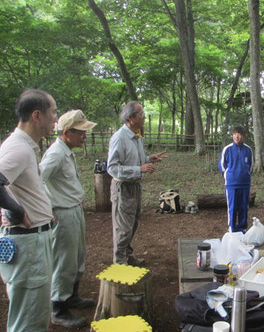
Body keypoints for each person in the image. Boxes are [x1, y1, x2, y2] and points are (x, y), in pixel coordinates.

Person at [0, 89, 57, 331]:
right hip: (28, 246)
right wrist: (14, 209)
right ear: (37, 116)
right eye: (53, 112)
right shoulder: (19, 148)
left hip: (32, 242)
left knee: (34, 314)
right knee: (29, 321)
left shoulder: (24, 146)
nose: (56, 118)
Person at [40, 110, 97, 328]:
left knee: (77, 256)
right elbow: (38, 180)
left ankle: (71, 296)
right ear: (66, 133)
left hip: (74, 209)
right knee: (64, 261)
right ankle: (58, 308)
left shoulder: (66, 151)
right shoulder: (55, 154)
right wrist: (47, 207)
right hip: (62, 213)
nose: (84, 136)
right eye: (81, 132)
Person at [107, 101, 167, 265]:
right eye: (141, 114)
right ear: (131, 117)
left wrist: (149, 159)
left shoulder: (137, 136)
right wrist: (139, 169)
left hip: (135, 186)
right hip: (123, 188)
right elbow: (112, 168)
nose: (144, 117)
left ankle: (128, 256)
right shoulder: (119, 138)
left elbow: (137, 160)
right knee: (123, 229)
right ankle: (120, 263)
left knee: (132, 225)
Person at [218, 125, 253, 232]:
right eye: (235, 134)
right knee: (232, 207)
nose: (237, 136)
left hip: (245, 183)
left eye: (240, 134)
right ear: (232, 135)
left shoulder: (248, 149)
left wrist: (247, 174)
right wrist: (227, 175)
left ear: (244, 136)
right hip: (231, 184)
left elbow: (251, 165)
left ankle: (242, 228)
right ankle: (232, 228)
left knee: (243, 207)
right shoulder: (227, 149)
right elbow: (221, 165)